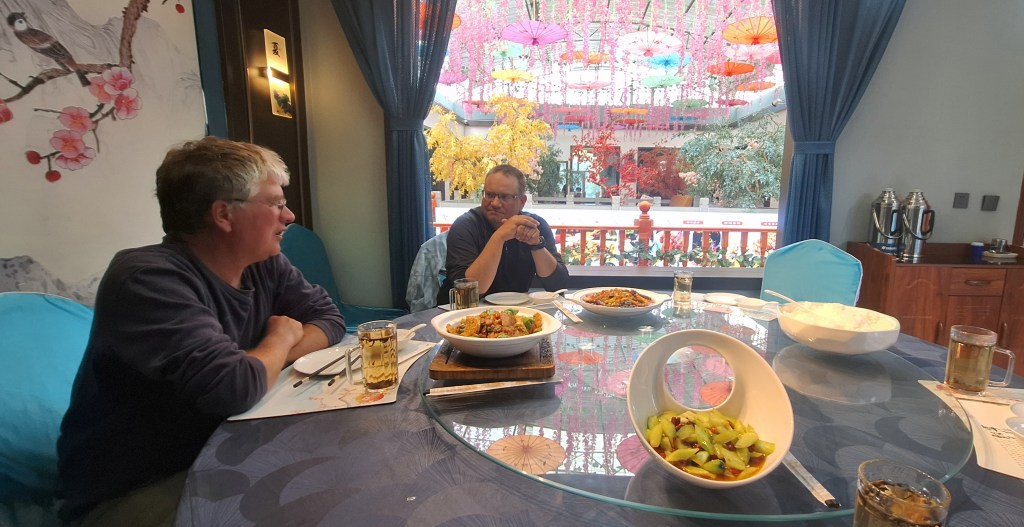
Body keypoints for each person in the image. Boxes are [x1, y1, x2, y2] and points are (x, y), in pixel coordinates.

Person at [57, 137, 346, 526]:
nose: (289, 215)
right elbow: (234, 388)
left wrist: (262, 361)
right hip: (138, 487)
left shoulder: (262, 263)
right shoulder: (146, 280)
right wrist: (278, 339)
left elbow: (328, 319)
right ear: (223, 214)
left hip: (231, 450)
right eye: (276, 204)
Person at [438, 164, 569, 305]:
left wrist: (536, 245)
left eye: (505, 197)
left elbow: (558, 286)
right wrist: (499, 237)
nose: (494, 203)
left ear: (522, 201)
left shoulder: (534, 225)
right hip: (459, 311)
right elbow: (468, 291)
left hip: (517, 310)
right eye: (489, 195)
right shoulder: (466, 226)